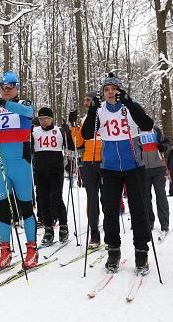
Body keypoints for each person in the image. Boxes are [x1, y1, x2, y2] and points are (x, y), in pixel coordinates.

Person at [81, 73, 154, 273]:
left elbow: (147, 124)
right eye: (106, 89)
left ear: (120, 91)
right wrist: (93, 109)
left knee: (139, 210)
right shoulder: (100, 110)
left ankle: (141, 252)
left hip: (134, 167)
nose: (110, 92)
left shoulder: (129, 107)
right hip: (110, 168)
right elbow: (87, 134)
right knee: (110, 212)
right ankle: (113, 250)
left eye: (114, 89)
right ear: (103, 93)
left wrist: (130, 103)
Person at [0, 71, 38, 270]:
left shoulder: (24, 104)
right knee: (3, 208)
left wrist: (3, 104)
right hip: (0, 164)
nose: (6, 90)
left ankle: (32, 248)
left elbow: (29, 114)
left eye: (10, 86)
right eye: (3, 87)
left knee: (25, 207)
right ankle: (5, 249)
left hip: (20, 164)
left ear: (16, 87)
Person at [70, 91, 103, 248]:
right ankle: (95, 234)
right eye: (84, 100)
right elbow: (78, 143)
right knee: (92, 198)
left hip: (105, 161)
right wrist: (73, 127)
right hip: (89, 161)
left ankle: (111, 233)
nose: (85, 103)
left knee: (108, 198)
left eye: (88, 100)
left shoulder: (105, 115)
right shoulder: (84, 120)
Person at [32, 106, 69, 245]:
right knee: (43, 200)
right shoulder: (35, 132)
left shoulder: (59, 130)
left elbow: (70, 145)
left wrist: (69, 132)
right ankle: (48, 229)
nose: (43, 122)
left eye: (46, 119)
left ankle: (63, 226)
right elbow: (29, 148)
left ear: (52, 119)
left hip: (56, 170)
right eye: (41, 119)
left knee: (56, 198)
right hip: (40, 171)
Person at [136, 126, 170, 234]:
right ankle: (148, 222)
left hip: (158, 167)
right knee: (145, 197)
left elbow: (167, 142)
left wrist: (163, 146)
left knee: (161, 195)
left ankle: (164, 224)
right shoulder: (136, 131)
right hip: (143, 168)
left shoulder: (155, 129)